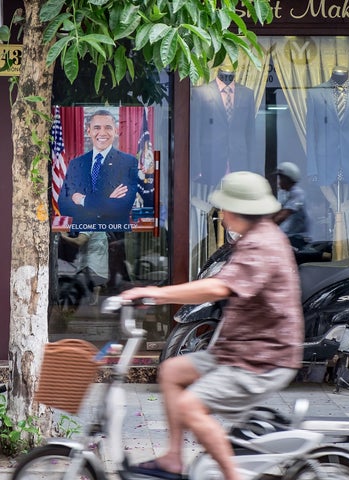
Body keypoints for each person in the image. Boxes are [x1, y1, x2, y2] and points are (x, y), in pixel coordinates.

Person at [121, 171, 304, 480]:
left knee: (191, 406)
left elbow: (218, 288)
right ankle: (173, 458)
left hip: (262, 359)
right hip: (237, 349)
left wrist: (156, 293)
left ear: (233, 210)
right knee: (171, 371)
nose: (220, 215)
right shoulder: (256, 237)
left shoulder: (262, 244)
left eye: (222, 209)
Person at [58, 109, 139, 230]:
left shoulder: (128, 162)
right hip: (79, 236)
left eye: (108, 127)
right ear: (89, 131)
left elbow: (123, 206)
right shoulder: (76, 163)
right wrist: (107, 202)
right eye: (97, 127)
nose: (102, 133)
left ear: (115, 131)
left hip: (115, 235)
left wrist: (82, 200)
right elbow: (64, 205)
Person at [190, 68, 258, 189]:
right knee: (209, 204)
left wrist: (252, 169)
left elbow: (250, 135)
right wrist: (196, 168)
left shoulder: (247, 94)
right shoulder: (200, 93)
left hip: (239, 163)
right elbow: (195, 133)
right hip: (210, 162)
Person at [60, 230, 109, 304]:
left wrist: (62, 236)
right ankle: (96, 289)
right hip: (100, 268)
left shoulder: (88, 223)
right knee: (92, 305)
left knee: (74, 289)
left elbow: (79, 241)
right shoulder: (99, 224)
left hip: (89, 266)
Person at [272, 161, 311, 249]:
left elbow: (282, 216)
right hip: (290, 239)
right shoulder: (288, 195)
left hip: (298, 241)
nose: (279, 182)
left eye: (281, 178)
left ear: (288, 179)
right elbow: (276, 213)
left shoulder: (297, 193)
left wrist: (264, 229)